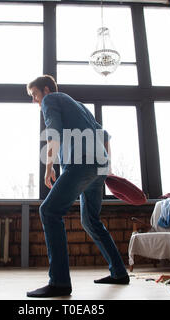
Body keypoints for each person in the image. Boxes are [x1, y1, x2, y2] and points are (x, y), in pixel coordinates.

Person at [26, 75, 129, 298]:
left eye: (34, 95)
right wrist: (106, 166)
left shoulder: (50, 100)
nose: (34, 100)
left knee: (49, 211)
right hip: (97, 166)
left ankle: (60, 282)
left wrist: (48, 167)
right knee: (90, 220)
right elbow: (104, 135)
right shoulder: (78, 105)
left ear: (45, 90)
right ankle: (119, 272)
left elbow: (52, 133)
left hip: (81, 163)